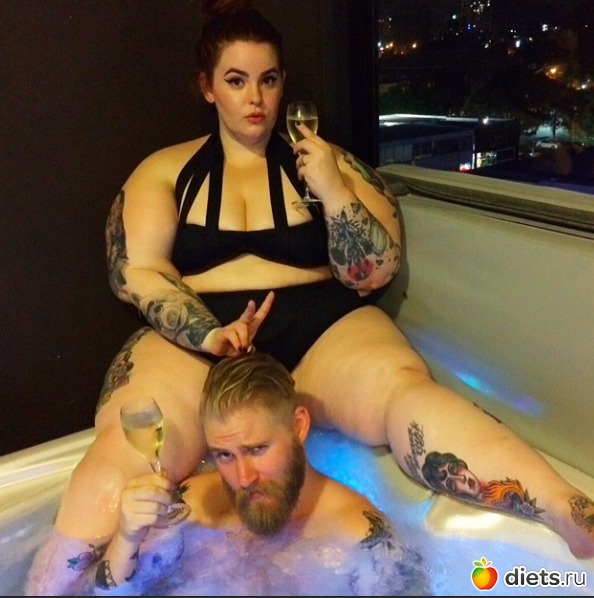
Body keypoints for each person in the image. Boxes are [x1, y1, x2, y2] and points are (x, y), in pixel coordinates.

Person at [26, 0, 594, 593]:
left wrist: (334, 190)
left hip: (322, 329)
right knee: (127, 445)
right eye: (236, 81)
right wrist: (208, 333)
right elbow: (136, 273)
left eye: (268, 80)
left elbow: (373, 272)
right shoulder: (164, 172)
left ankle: (569, 511)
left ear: (283, 83)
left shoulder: (332, 164)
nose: (255, 99)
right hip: (200, 338)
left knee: (405, 393)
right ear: (207, 87)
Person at [27, 353, 422, 596]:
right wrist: (127, 537)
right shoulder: (193, 505)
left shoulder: (360, 535)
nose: (243, 476)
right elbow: (106, 593)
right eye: (224, 455)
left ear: (298, 427)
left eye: (257, 449)